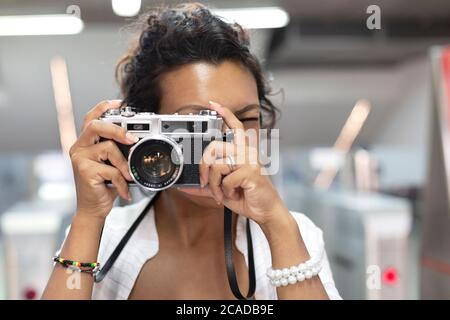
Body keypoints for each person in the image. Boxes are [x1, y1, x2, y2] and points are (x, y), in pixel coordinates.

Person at [42, 3, 341, 300]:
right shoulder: (104, 240)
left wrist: (277, 223)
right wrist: (88, 219)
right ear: (145, 131)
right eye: (198, 125)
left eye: (245, 120)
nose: (224, 144)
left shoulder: (294, 234)